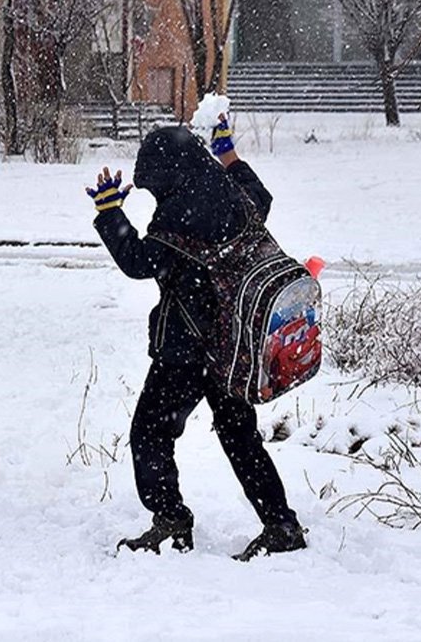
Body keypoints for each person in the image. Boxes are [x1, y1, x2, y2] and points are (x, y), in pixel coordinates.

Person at [87, 117, 307, 561]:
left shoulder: (179, 216)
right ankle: (281, 525)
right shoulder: (233, 196)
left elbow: (139, 261)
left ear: (169, 174)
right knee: (240, 437)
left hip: (186, 351)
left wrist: (110, 212)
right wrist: (228, 152)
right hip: (232, 347)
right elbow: (259, 193)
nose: (155, 197)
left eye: (155, 187)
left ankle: (170, 522)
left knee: (149, 433)